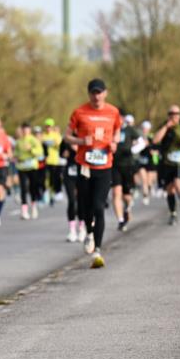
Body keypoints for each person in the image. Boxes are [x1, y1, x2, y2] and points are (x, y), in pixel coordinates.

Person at [65, 78, 122, 268]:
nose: (96, 96)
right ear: (89, 94)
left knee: (99, 206)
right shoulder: (79, 112)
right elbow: (67, 136)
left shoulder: (113, 112)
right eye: (93, 92)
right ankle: (88, 233)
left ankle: (97, 250)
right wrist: (82, 141)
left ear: (105, 93)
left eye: (99, 92)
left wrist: (115, 143)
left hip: (105, 166)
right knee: (85, 207)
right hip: (85, 166)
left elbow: (117, 131)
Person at [153, 105, 180, 225]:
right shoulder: (164, 126)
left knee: (178, 185)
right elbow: (155, 140)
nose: (174, 116)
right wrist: (166, 127)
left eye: (176, 114)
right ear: (168, 115)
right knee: (170, 190)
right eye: (171, 114)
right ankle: (173, 214)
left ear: (179, 115)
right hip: (166, 163)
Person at [111, 113, 142, 232]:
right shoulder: (111, 129)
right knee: (116, 193)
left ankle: (127, 209)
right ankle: (120, 220)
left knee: (127, 196)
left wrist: (132, 150)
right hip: (114, 165)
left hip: (128, 165)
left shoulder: (129, 130)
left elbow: (142, 142)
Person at [13, 123, 44, 220]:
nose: (25, 131)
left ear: (29, 130)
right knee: (23, 187)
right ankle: (24, 210)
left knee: (32, 187)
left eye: (27, 130)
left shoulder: (34, 140)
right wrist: (17, 157)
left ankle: (34, 205)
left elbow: (40, 152)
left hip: (32, 166)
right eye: (23, 130)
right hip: (22, 167)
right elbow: (16, 152)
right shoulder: (19, 141)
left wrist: (31, 150)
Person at [59, 137, 82, 242]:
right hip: (69, 172)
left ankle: (82, 228)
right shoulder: (66, 139)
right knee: (72, 201)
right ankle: (72, 230)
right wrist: (65, 154)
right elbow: (61, 154)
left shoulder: (85, 137)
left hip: (82, 171)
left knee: (82, 201)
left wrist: (78, 149)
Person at [40, 118, 63, 203]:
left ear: (52, 127)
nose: (48, 128)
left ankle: (53, 192)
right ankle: (46, 192)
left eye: (49, 126)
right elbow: (40, 143)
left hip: (54, 160)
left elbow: (59, 144)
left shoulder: (56, 135)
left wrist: (51, 142)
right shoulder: (43, 135)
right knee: (45, 177)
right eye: (46, 126)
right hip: (45, 160)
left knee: (54, 178)